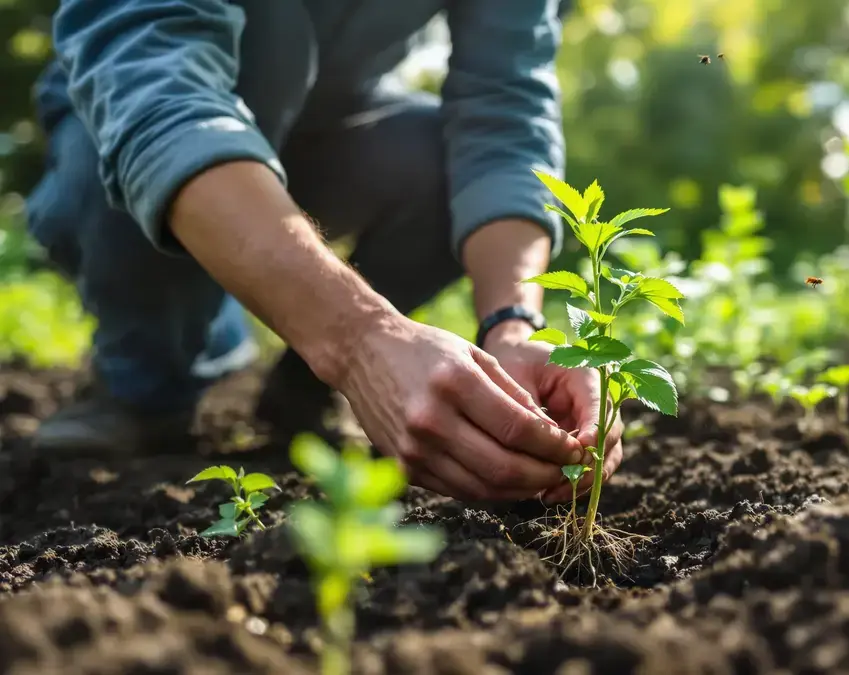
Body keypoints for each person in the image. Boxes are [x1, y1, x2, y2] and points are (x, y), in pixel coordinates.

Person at [23, 0, 619, 504]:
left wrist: (510, 323)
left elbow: (505, 111)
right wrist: (360, 340)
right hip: (127, 122)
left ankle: (300, 390)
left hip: (328, 130)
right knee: (122, 159)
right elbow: (157, 101)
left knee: (440, 158)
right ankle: (147, 381)